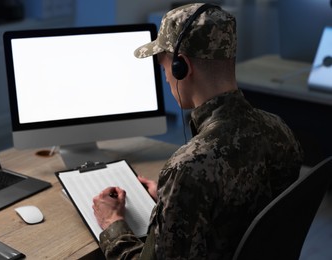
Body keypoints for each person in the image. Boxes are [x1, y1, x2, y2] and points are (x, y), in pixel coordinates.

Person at [92, 3, 304, 259]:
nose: (167, 78)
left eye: (164, 68)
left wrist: (113, 223)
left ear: (182, 67)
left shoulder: (187, 168)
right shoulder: (281, 130)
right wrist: (175, 201)